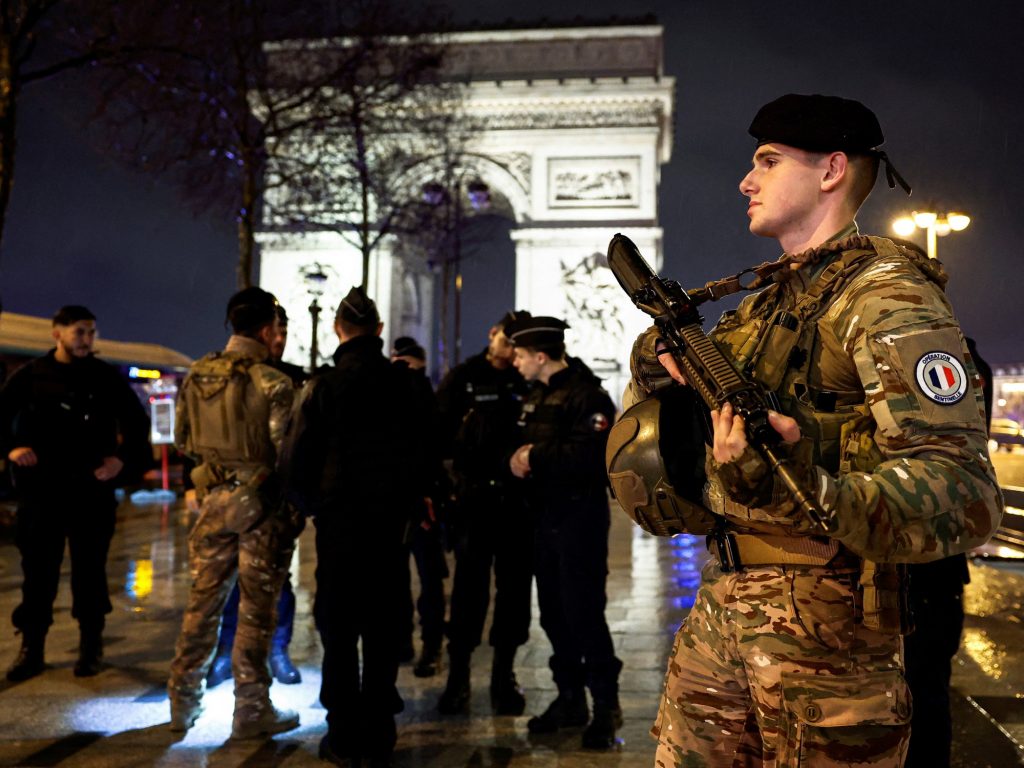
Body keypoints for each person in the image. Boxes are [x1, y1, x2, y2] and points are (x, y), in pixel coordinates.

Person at [624, 93, 1003, 766]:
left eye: (768, 161)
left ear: (831, 170)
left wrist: (810, 484)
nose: (747, 180)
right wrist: (656, 367)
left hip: (830, 639)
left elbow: (960, 494)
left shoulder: (888, 297)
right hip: (726, 611)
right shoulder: (762, 304)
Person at [286, 287, 432, 768]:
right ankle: (381, 730)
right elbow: (427, 451)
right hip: (391, 528)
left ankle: (343, 732)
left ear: (336, 329)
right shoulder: (406, 385)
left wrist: (312, 507)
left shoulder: (324, 387)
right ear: (381, 331)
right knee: (385, 625)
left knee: (340, 627)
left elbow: (300, 457)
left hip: (340, 526)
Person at [167, 287, 299, 739]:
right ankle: (251, 709)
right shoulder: (274, 383)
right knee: (256, 614)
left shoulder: (197, 374)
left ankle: (182, 700)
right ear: (267, 330)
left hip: (212, 504)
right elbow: (286, 455)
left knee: (201, 605)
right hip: (260, 509)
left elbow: (182, 442)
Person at [0, 305, 150, 680]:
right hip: (42, 492)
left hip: (90, 491)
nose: (87, 340)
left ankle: (90, 647)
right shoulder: (31, 376)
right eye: (80, 332)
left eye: (91, 332)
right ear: (57, 334)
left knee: (90, 572)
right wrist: (11, 449)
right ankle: (31, 648)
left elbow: (136, 424)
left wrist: (121, 462)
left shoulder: (105, 378)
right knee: (38, 573)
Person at [507, 316, 623, 750]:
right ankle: (570, 698)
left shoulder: (587, 396)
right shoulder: (537, 394)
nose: (514, 362)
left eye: (520, 355)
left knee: (584, 614)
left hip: (579, 523)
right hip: (544, 520)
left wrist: (533, 455)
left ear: (540, 356)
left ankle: (605, 707)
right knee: (554, 614)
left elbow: (591, 458)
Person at [434, 311, 533, 715]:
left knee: (513, 597)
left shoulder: (525, 378)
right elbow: (437, 438)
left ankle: (502, 677)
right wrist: (447, 493)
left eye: (518, 345)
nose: (511, 351)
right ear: (493, 334)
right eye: (507, 341)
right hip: (473, 503)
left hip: (516, 504)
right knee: (467, 596)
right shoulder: (462, 378)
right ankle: (457, 678)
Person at [205, 304, 305, 689]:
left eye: (284, 331)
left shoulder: (291, 378)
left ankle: (278, 650)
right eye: (274, 331)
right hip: (231, 498)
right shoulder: (229, 376)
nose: (279, 339)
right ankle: (227, 653)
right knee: (229, 580)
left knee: (279, 583)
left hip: (275, 500)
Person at [389, 336, 449, 678]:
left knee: (419, 577)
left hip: (418, 502)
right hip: (418, 500)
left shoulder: (416, 392)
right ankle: (425, 644)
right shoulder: (425, 392)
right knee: (422, 578)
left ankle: (418, 643)